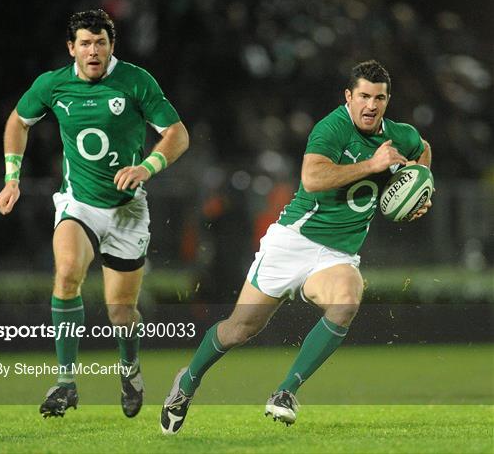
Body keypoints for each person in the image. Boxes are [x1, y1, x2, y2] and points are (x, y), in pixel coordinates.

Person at [160, 60, 432, 434]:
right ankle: (187, 382)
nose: (371, 105)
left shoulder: (399, 136)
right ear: (349, 97)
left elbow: (423, 151)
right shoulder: (332, 128)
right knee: (239, 330)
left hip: (336, 256)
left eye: (380, 98)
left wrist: (420, 186)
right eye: (364, 96)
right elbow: (313, 177)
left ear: (388, 100)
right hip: (292, 243)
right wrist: (373, 165)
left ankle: (286, 391)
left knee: (347, 300)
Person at [0, 9, 189, 418]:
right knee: (66, 272)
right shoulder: (53, 84)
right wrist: (12, 177)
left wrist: (146, 167)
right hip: (77, 203)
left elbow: (177, 134)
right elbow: (18, 121)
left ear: (111, 46)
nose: (93, 50)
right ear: (72, 48)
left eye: (100, 42)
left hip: (127, 211)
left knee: (121, 310)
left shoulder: (136, 81)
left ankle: (129, 369)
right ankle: (65, 383)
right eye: (85, 43)